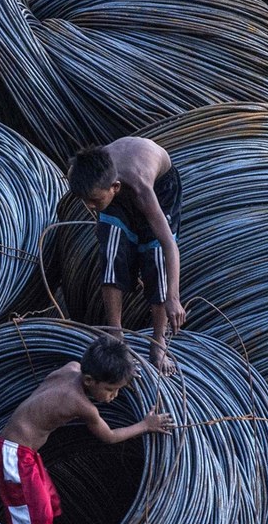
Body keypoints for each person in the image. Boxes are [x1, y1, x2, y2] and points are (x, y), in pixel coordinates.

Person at [0, 335, 173, 524]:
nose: (114, 396)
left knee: (48, 504)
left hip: (25, 453)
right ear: (89, 381)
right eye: (110, 389)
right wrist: (145, 425)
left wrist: (123, 371)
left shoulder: (72, 367)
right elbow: (109, 436)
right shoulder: (81, 404)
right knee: (40, 518)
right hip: (15, 454)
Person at [68, 137, 184, 376]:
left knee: (155, 256)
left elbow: (168, 246)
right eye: (86, 201)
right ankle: (115, 333)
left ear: (116, 188)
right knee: (112, 251)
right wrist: (101, 209)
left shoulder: (141, 187)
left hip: (160, 187)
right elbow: (95, 195)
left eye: (95, 201)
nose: (90, 207)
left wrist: (173, 297)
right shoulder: (88, 175)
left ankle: (158, 342)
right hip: (114, 181)